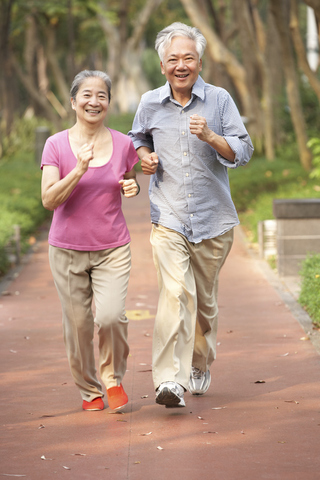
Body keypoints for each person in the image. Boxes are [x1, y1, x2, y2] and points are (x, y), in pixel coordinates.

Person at [128, 22, 254, 408]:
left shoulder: (218, 101)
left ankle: (199, 362)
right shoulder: (150, 102)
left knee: (204, 304)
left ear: (200, 62)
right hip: (168, 215)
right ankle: (169, 380)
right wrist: (143, 157)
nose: (181, 65)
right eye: (173, 59)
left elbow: (244, 151)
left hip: (213, 219)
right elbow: (137, 137)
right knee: (176, 294)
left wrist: (212, 137)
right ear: (162, 64)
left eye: (188, 58)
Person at [41, 70, 140, 412]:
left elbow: (128, 180)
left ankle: (112, 379)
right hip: (67, 249)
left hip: (112, 246)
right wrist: (79, 168)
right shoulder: (55, 145)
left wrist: (133, 186)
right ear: (73, 102)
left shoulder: (123, 144)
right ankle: (89, 390)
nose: (94, 101)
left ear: (108, 104)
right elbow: (49, 199)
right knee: (79, 324)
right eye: (86, 95)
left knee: (111, 316)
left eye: (101, 96)